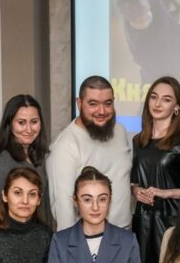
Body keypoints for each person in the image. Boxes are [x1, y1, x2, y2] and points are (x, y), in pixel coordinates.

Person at [47, 76, 134, 231]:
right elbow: (63, 208)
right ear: (79, 103)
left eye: (107, 103)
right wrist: (72, 244)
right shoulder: (64, 146)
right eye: (93, 104)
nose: (102, 111)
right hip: (89, 238)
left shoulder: (120, 131)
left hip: (125, 232)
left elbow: (121, 177)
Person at [131, 76, 180, 263]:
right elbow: (134, 182)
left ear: (176, 107)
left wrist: (165, 193)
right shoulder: (138, 141)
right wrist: (136, 191)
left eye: (166, 99)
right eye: (154, 97)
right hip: (142, 222)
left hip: (171, 223)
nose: (157, 103)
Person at [0, 93, 51, 223]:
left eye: (34, 122)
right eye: (21, 122)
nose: (29, 129)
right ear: (9, 124)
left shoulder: (37, 157)